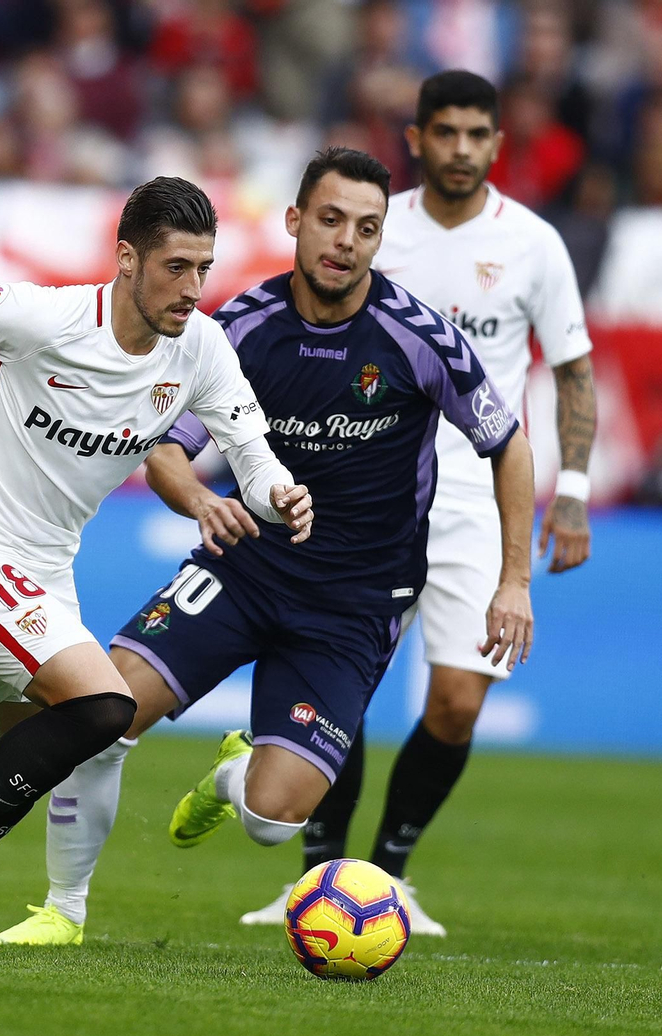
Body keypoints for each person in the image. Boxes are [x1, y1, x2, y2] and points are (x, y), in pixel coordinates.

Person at [0, 146, 536, 947]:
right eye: (330, 219)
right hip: (243, 570)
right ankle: (61, 912)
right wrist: (204, 502)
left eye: (366, 227)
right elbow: (166, 448)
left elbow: (508, 444)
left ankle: (229, 773)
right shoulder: (238, 329)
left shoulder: (418, 337)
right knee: (96, 716)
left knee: (271, 824)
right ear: (294, 222)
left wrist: (514, 579)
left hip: (352, 605)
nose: (345, 241)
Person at [0, 176, 311, 949]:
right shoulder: (48, 318)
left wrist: (280, 494)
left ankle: (56, 916)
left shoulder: (202, 348)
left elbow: (252, 460)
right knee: (105, 707)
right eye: (175, 267)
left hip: (43, 571)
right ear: (127, 259)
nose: (193, 289)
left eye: (203, 268)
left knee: (76, 743)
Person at [237, 70, 596, 935]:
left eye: (479, 134)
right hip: (363, 486)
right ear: (417, 139)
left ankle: (387, 876)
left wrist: (571, 493)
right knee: (341, 687)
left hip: (476, 490)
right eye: (447, 133)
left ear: (498, 145)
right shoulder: (368, 226)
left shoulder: (535, 245)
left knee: (457, 702)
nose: (462, 149)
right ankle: (319, 873)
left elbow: (572, 371)